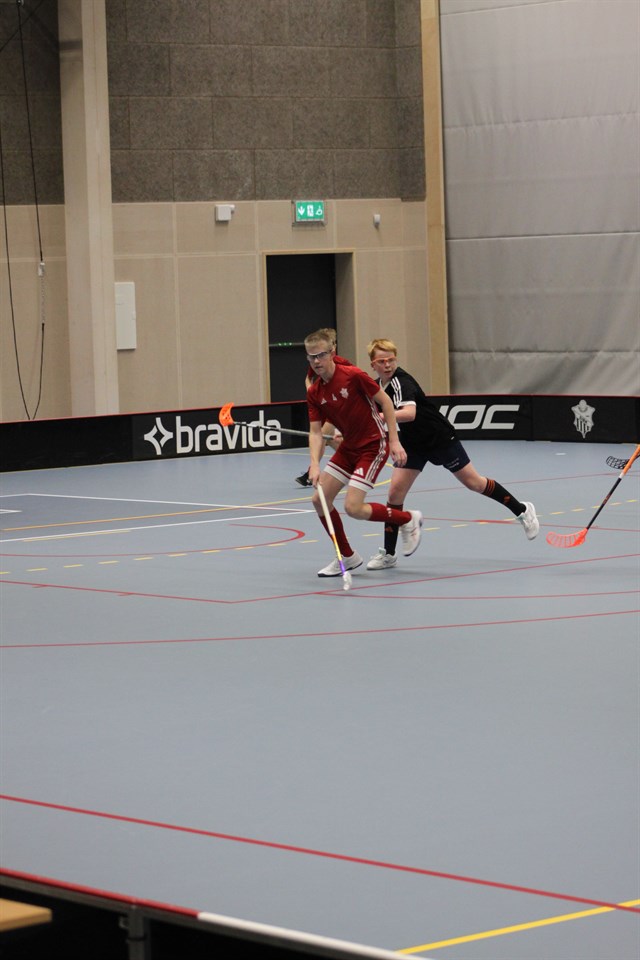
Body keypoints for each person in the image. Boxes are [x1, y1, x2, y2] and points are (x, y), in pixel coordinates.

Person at [364, 338, 539, 570]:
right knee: (395, 493)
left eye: (391, 359)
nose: (387, 365)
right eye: (382, 361)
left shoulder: (401, 382)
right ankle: (388, 553)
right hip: (413, 443)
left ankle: (522, 510)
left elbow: (409, 413)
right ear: (372, 364)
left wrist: (379, 417)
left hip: (439, 438)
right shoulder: (377, 386)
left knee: (474, 483)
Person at [305, 329, 423, 577]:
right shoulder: (315, 392)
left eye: (321, 355)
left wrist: (394, 441)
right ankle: (347, 556)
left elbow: (386, 403)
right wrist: (314, 464)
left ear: (332, 353)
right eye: (311, 357)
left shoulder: (353, 375)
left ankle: (407, 519)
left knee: (353, 507)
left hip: (372, 445)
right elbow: (316, 433)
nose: (316, 361)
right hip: (349, 447)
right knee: (319, 500)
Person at [295, 328, 344, 487]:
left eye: (334, 342)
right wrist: (311, 392)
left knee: (323, 436)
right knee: (329, 440)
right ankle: (354, 460)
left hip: (338, 408)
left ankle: (309, 473)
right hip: (324, 405)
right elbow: (308, 378)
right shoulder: (317, 362)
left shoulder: (341, 363)